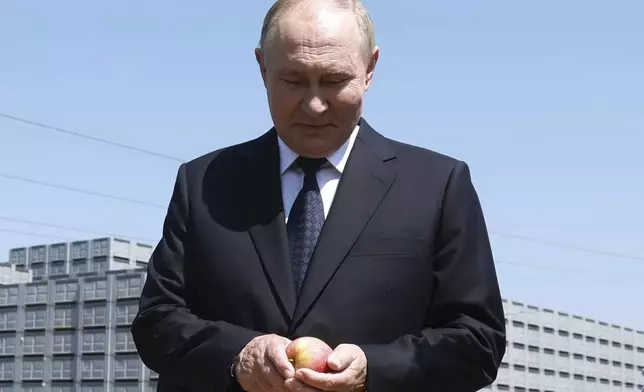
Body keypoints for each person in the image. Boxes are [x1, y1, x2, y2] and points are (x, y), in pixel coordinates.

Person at [131, 0, 506, 391]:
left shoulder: (439, 185)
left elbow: (479, 341)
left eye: (333, 80)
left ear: (370, 70)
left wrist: (373, 369)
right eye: (293, 80)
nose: (313, 104)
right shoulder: (203, 182)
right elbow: (157, 321)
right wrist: (240, 356)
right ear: (262, 68)